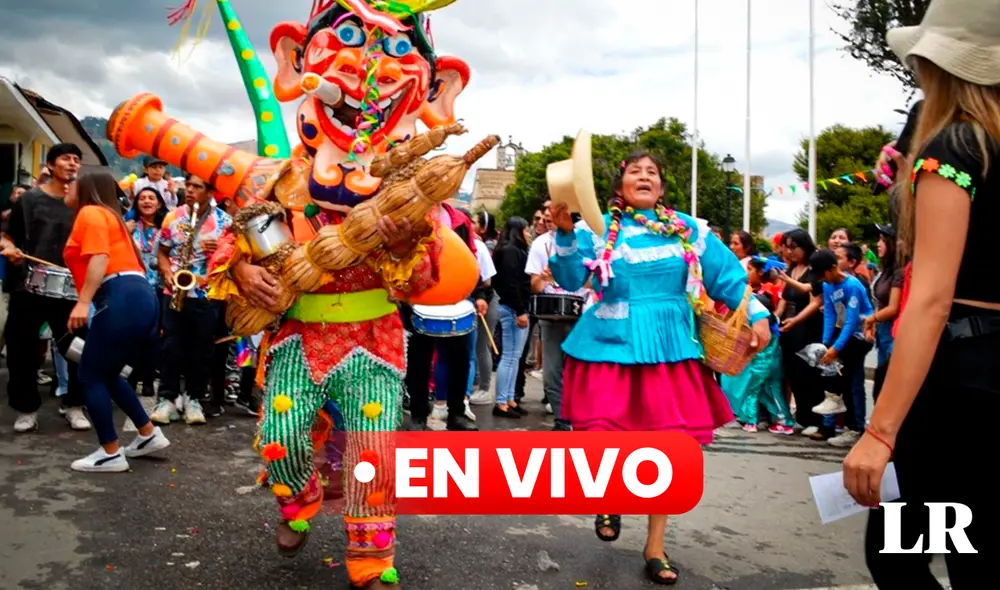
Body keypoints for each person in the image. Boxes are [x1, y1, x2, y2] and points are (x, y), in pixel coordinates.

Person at [549, 150, 770, 584]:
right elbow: (572, 278)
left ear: (662, 187)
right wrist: (565, 233)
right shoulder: (597, 228)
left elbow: (727, 276)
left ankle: (655, 546)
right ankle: (609, 497)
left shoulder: (689, 229)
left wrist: (757, 314)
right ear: (620, 187)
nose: (644, 176)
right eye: (635, 171)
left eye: (652, 172)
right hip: (611, 346)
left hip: (670, 348)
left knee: (668, 448)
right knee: (605, 439)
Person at [846, 2, 997, 585]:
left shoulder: (957, 146)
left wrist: (879, 432)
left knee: (898, 557)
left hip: (956, 383)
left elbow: (932, 298)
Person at [62, 170, 170, 472]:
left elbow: (100, 257)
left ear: (87, 188)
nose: (68, 186)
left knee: (89, 375)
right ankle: (148, 434)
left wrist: (83, 302)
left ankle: (110, 452)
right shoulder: (111, 217)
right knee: (107, 373)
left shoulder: (91, 212)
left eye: (73, 183)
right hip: (137, 296)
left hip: (119, 296)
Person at [0, 143, 91, 433]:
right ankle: (26, 409)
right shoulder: (29, 200)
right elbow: (7, 236)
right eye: (66, 158)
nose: (73, 163)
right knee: (21, 351)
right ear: (50, 165)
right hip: (28, 286)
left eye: (76, 159)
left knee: (77, 349)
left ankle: (74, 405)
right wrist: (10, 248)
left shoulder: (84, 204)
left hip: (70, 288)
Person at [151, 174, 232, 424]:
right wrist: (167, 273)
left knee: (202, 349)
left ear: (211, 192)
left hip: (208, 293)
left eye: (197, 186)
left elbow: (235, 259)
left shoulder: (225, 222)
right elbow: (162, 252)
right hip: (175, 291)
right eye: (188, 185)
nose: (189, 190)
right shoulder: (172, 217)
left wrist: (222, 249)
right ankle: (167, 398)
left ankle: (194, 398)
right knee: (170, 346)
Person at [721, 256, 794, 434]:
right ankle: (781, 420)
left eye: (749, 269)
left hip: (761, 363)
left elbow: (755, 340)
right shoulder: (765, 314)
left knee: (754, 390)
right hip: (770, 361)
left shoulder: (756, 310)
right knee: (770, 391)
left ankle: (753, 421)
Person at [125, 186, 168, 397]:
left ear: (159, 204)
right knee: (132, 333)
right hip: (133, 286)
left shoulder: (167, 227)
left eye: (152, 198)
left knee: (153, 335)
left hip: (158, 287)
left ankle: (148, 378)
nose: (147, 201)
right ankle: (131, 377)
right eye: (142, 198)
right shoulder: (130, 226)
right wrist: (126, 231)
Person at [491, 216, 532, 419]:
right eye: (526, 230)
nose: (528, 234)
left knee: (514, 356)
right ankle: (501, 401)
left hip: (513, 307)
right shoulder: (511, 252)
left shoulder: (509, 250)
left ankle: (508, 399)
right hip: (513, 309)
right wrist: (520, 310)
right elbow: (511, 283)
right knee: (509, 356)